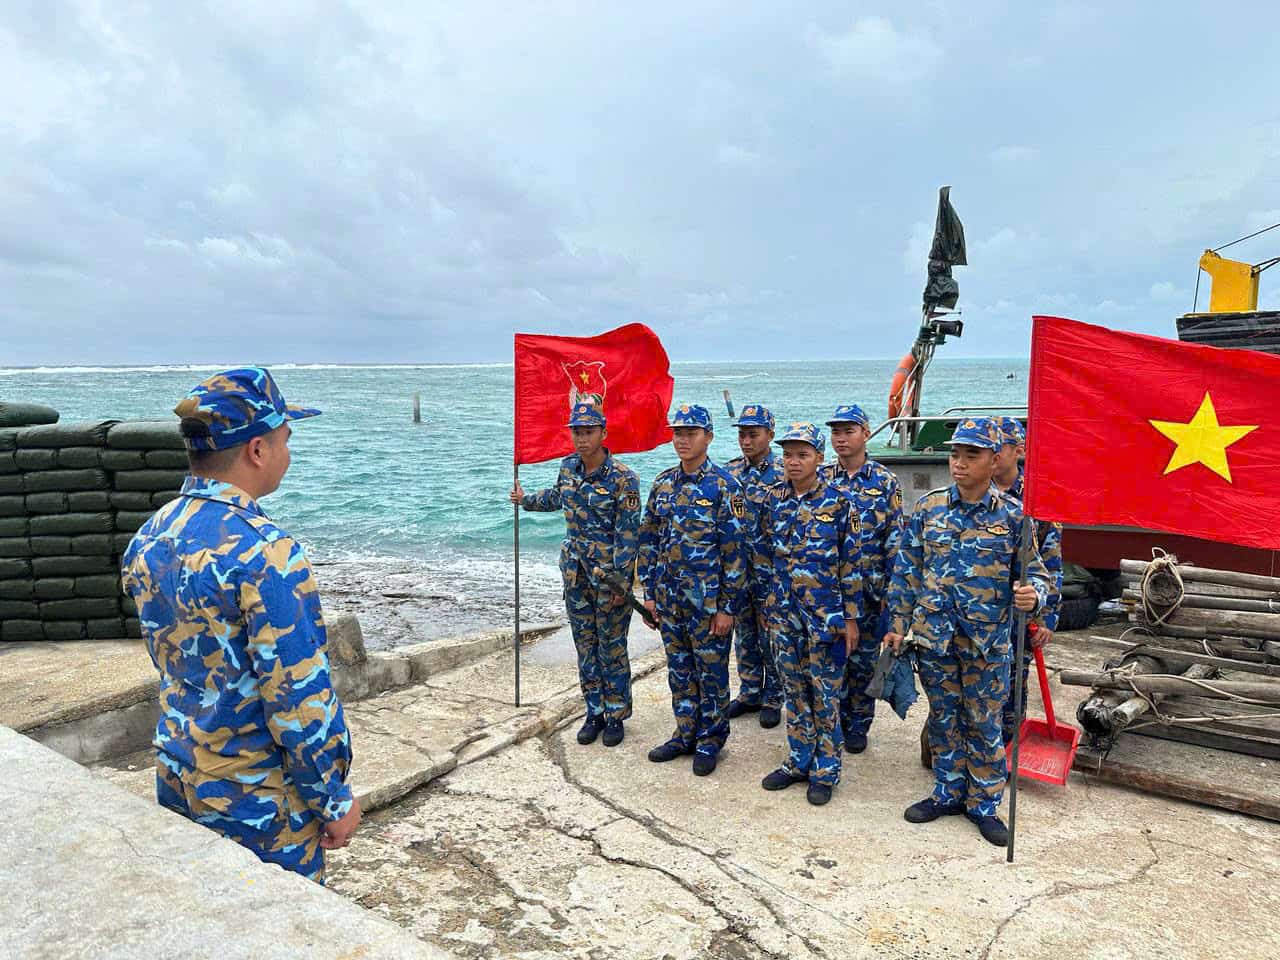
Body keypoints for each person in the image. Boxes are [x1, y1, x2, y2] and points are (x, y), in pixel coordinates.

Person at [121, 368, 358, 884]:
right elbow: (297, 698)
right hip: (257, 801)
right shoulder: (265, 552)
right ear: (257, 449)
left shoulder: (150, 537)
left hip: (179, 774)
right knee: (280, 922)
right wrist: (333, 799)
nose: (287, 454)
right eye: (285, 440)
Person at [883, 417, 1049, 847]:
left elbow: (1037, 573)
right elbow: (907, 570)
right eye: (955, 454)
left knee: (984, 722)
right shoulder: (929, 508)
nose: (959, 462)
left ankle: (984, 804)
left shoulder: (1015, 516)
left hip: (986, 643)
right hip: (935, 637)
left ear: (994, 461)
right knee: (943, 719)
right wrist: (897, 624)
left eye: (971, 455)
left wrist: (1034, 596)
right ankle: (947, 791)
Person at [510, 401, 642, 747]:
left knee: (612, 648)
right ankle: (594, 711)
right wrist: (525, 500)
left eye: (588, 432)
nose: (582, 439)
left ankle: (616, 715)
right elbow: (558, 497)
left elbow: (628, 535)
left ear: (603, 433)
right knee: (585, 646)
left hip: (608, 579)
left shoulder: (623, 478)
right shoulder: (568, 467)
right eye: (577, 432)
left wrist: (622, 583)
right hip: (575, 575)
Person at [754, 423, 863, 805]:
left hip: (826, 618)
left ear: (819, 457)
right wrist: (767, 603)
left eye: (802, 455)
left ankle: (825, 770)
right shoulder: (773, 499)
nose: (794, 462)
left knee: (825, 695)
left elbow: (851, 564)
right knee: (794, 691)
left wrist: (851, 618)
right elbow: (762, 554)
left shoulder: (840, 502)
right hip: (784, 614)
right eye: (788, 455)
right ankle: (799, 760)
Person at [637, 403, 748, 777]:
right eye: (678, 433)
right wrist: (649, 593)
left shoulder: (725, 487)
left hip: (708, 604)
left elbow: (735, 553)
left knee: (711, 673)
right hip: (670, 600)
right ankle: (685, 733)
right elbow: (649, 540)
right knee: (680, 671)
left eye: (691, 433)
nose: (682, 440)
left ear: (708, 437)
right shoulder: (663, 484)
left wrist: (727, 608)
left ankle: (710, 739)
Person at [821, 403, 903, 753]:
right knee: (830, 662)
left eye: (848, 431)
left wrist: (891, 595)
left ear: (866, 434)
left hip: (870, 591)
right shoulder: (822, 478)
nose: (841, 438)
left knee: (863, 663)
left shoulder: (885, 481)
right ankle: (831, 723)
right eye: (836, 432)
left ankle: (858, 724)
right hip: (829, 592)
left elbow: (894, 540)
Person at [992, 416, 1064, 746]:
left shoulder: (1038, 500)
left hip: (1019, 614)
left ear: (1018, 451)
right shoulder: (975, 494)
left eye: (999, 446)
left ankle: (1007, 749)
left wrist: (1048, 616)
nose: (991, 453)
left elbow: (1051, 561)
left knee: (1012, 685)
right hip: (977, 612)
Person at [725, 404, 784, 728]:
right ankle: (749, 692)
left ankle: (773, 696)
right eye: (742, 435)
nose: (746, 441)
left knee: (771, 637)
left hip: (770, 573)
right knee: (744, 634)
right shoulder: (730, 472)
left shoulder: (784, 473)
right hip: (738, 571)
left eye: (753, 434)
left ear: (770, 435)